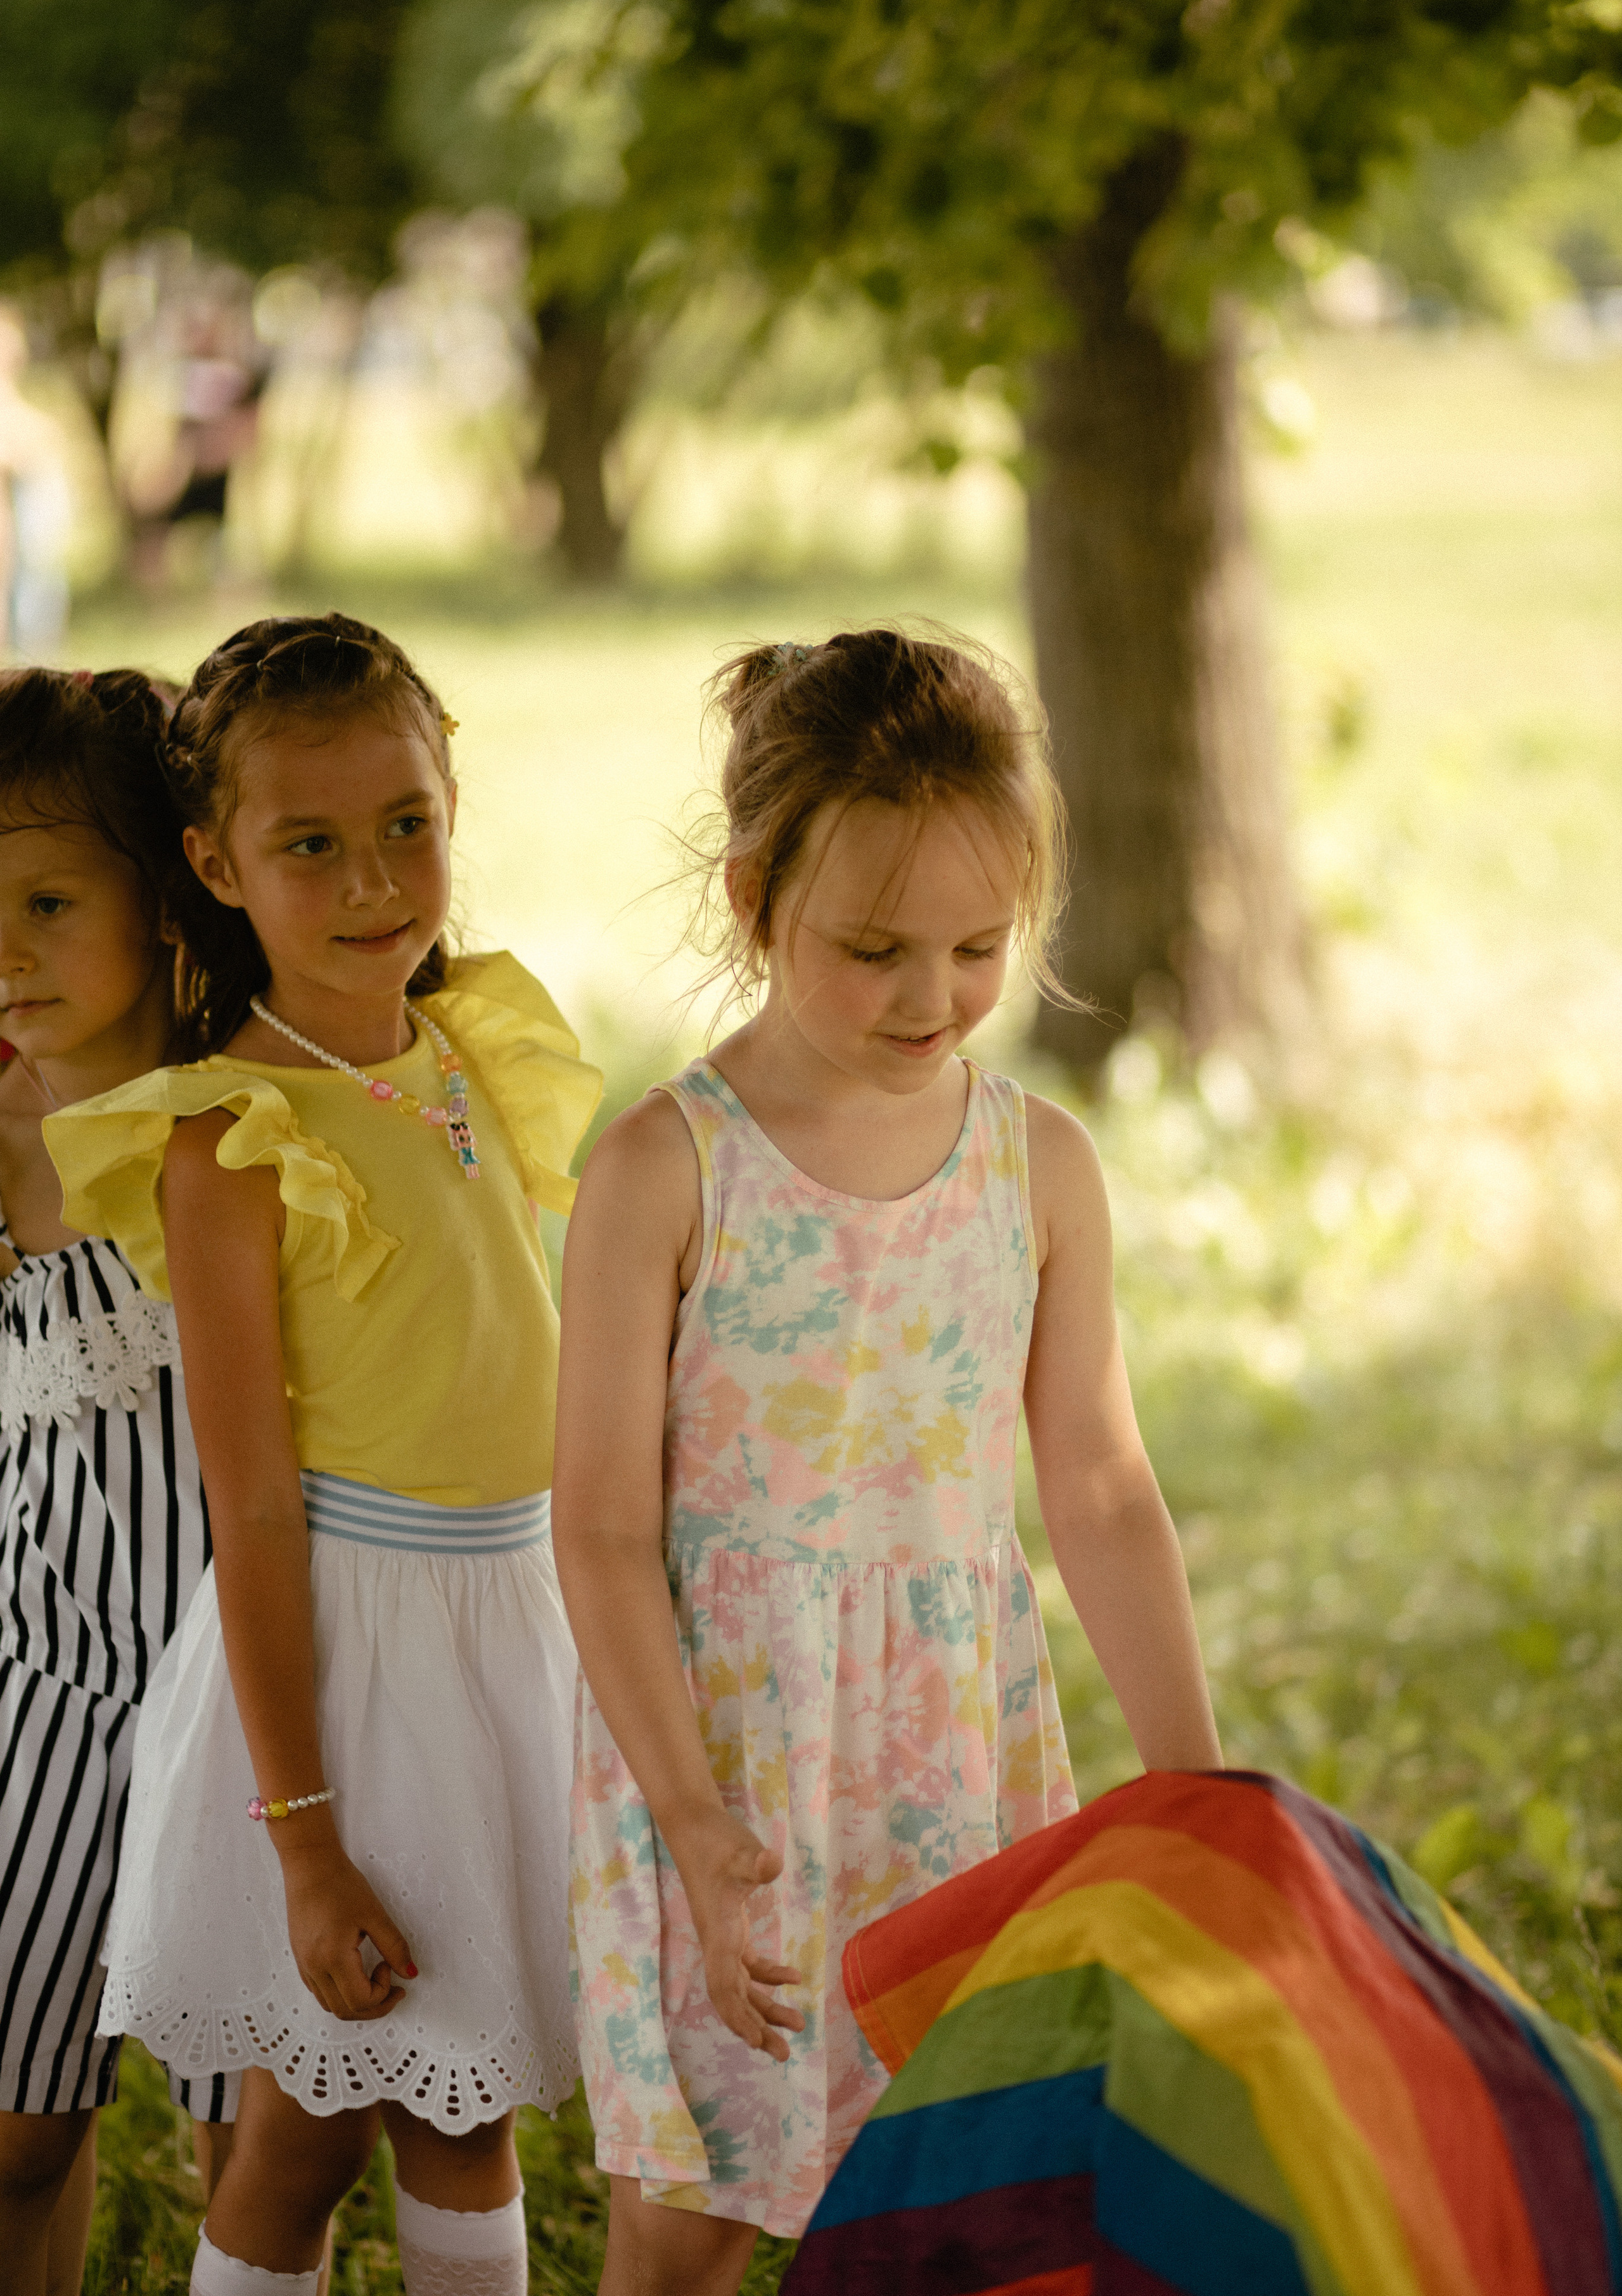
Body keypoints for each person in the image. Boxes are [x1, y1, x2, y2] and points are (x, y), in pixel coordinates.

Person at [553, 627, 1223, 2296]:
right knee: (693, 2214)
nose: (932, 997)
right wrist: (699, 1826)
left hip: (951, 1756)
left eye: (977, 946)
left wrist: (1195, 1788)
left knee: (950, 2195)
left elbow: (1098, 1488)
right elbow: (603, 1535)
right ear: (754, 891)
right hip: (718, 1760)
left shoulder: (1038, 1168)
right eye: (874, 949)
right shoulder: (663, 1168)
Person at [44, 613, 600, 2296]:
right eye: (311, 845)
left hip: (508, 1639)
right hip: (354, 1673)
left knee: (464, 2109)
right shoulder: (230, 1138)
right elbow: (254, 1502)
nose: (376, 883)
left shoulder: (471, 1054)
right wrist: (304, 1840)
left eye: (408, 826)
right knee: (301, 2134)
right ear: (217, 861)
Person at [0, 667, 235, 2296]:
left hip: (256, 1691)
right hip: (43, 1667)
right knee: (17, 2117)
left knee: (263, 2140)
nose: (3, 946)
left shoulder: (250, 1118)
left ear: (170, 894)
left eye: (47, 899)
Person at [0, 315, 72, 660]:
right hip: (24, 499)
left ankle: (34, 646)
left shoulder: (11, 397)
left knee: (34, 572)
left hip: (31, 501)